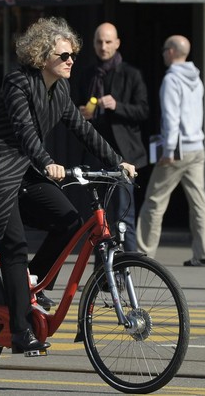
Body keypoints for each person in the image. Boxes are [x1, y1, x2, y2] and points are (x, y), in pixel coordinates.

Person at [0, 17, 135, 354]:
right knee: (15, 245)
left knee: (71, 223)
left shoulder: (60, 90)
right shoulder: (17, 82)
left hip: (26, 173)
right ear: (43, 58)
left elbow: (83, 130)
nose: (71, 60)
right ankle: (20, 332)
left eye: (72, 55)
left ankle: (33, 283)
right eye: (64, 55)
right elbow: (25, 131)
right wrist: (45, 161)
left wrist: (116, 161)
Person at [135, 35, 205, 267]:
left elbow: (171, 118)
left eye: (163, 49)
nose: (162, 54)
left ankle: (143, 254)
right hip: (197, 148)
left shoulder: (171, 80)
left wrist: (168, 150)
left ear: (171, 51)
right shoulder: (196, 79)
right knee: (199, 202)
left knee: (154, 201)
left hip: (177, 151)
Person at [74, 22, 149, 251]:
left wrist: (117, 106)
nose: (103, 46)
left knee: (124, 214)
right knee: (99, 218)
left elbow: (143, 111)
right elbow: (75, 109)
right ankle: (103, 274)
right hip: (96, 153)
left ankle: (130, 266)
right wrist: (81, 113)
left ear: (117, 43)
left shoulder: (131, 74)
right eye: (99, 41)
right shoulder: (87, 74)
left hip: (123, 153)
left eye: (108, 41)